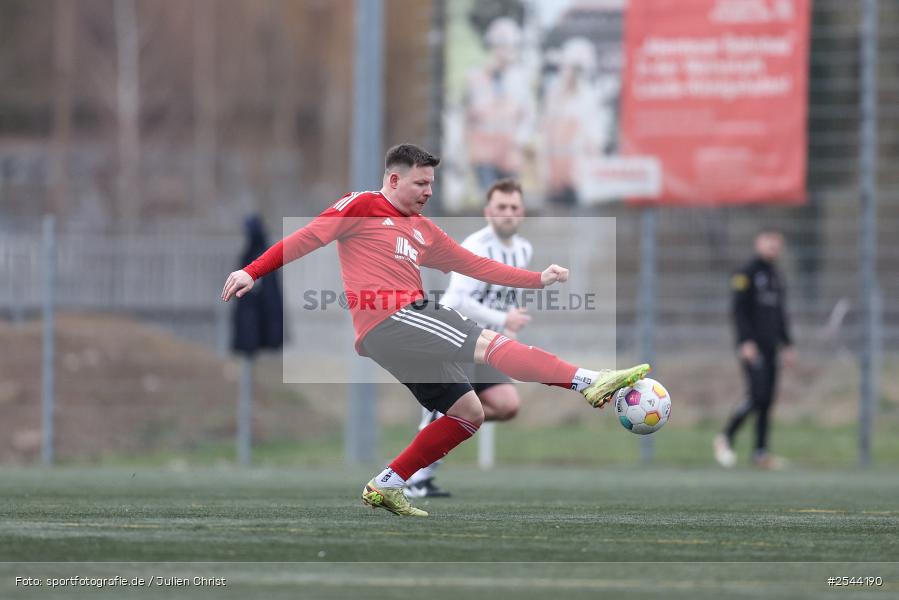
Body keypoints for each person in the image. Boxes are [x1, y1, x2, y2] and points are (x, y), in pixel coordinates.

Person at [222, 144, 650, 517]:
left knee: (468, 413)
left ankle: (388, 483)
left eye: (431, 184)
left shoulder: (423, 229)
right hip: (391, 317)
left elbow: (476, 265)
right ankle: (588, 381)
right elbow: (307, 238)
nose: (428, 192)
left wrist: (537, 279)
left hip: (398, 331)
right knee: (487, 342)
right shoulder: (361, 206)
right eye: (421, 184)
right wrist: (252, 271)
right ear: (394, 179)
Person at [404, 178, 533, 499]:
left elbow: (503, 295)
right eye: (501, 207)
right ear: (488, 212)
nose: (507, 214)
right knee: (455, 411)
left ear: (523, 212)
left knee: (507, 406)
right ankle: (412, 476)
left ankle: (438, 431)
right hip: (451, 340)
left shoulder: (523, 250)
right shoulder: (475, 247)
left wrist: (509, 321)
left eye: (514, 207)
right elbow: (458, 300)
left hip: (484, 345)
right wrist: (503, 319)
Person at [715, 229, 797, 470]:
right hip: (753, 346)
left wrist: (788, 344)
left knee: (767, 400)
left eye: (777, 244)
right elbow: (738, 311)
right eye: (769, 242)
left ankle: (761, 453)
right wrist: (745, 341)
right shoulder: (746, 273)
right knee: (757, 395)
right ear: (758, 243)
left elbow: (780, 314)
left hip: (772, 346)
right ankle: (725, 437)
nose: (773, 247)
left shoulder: (776, 275)